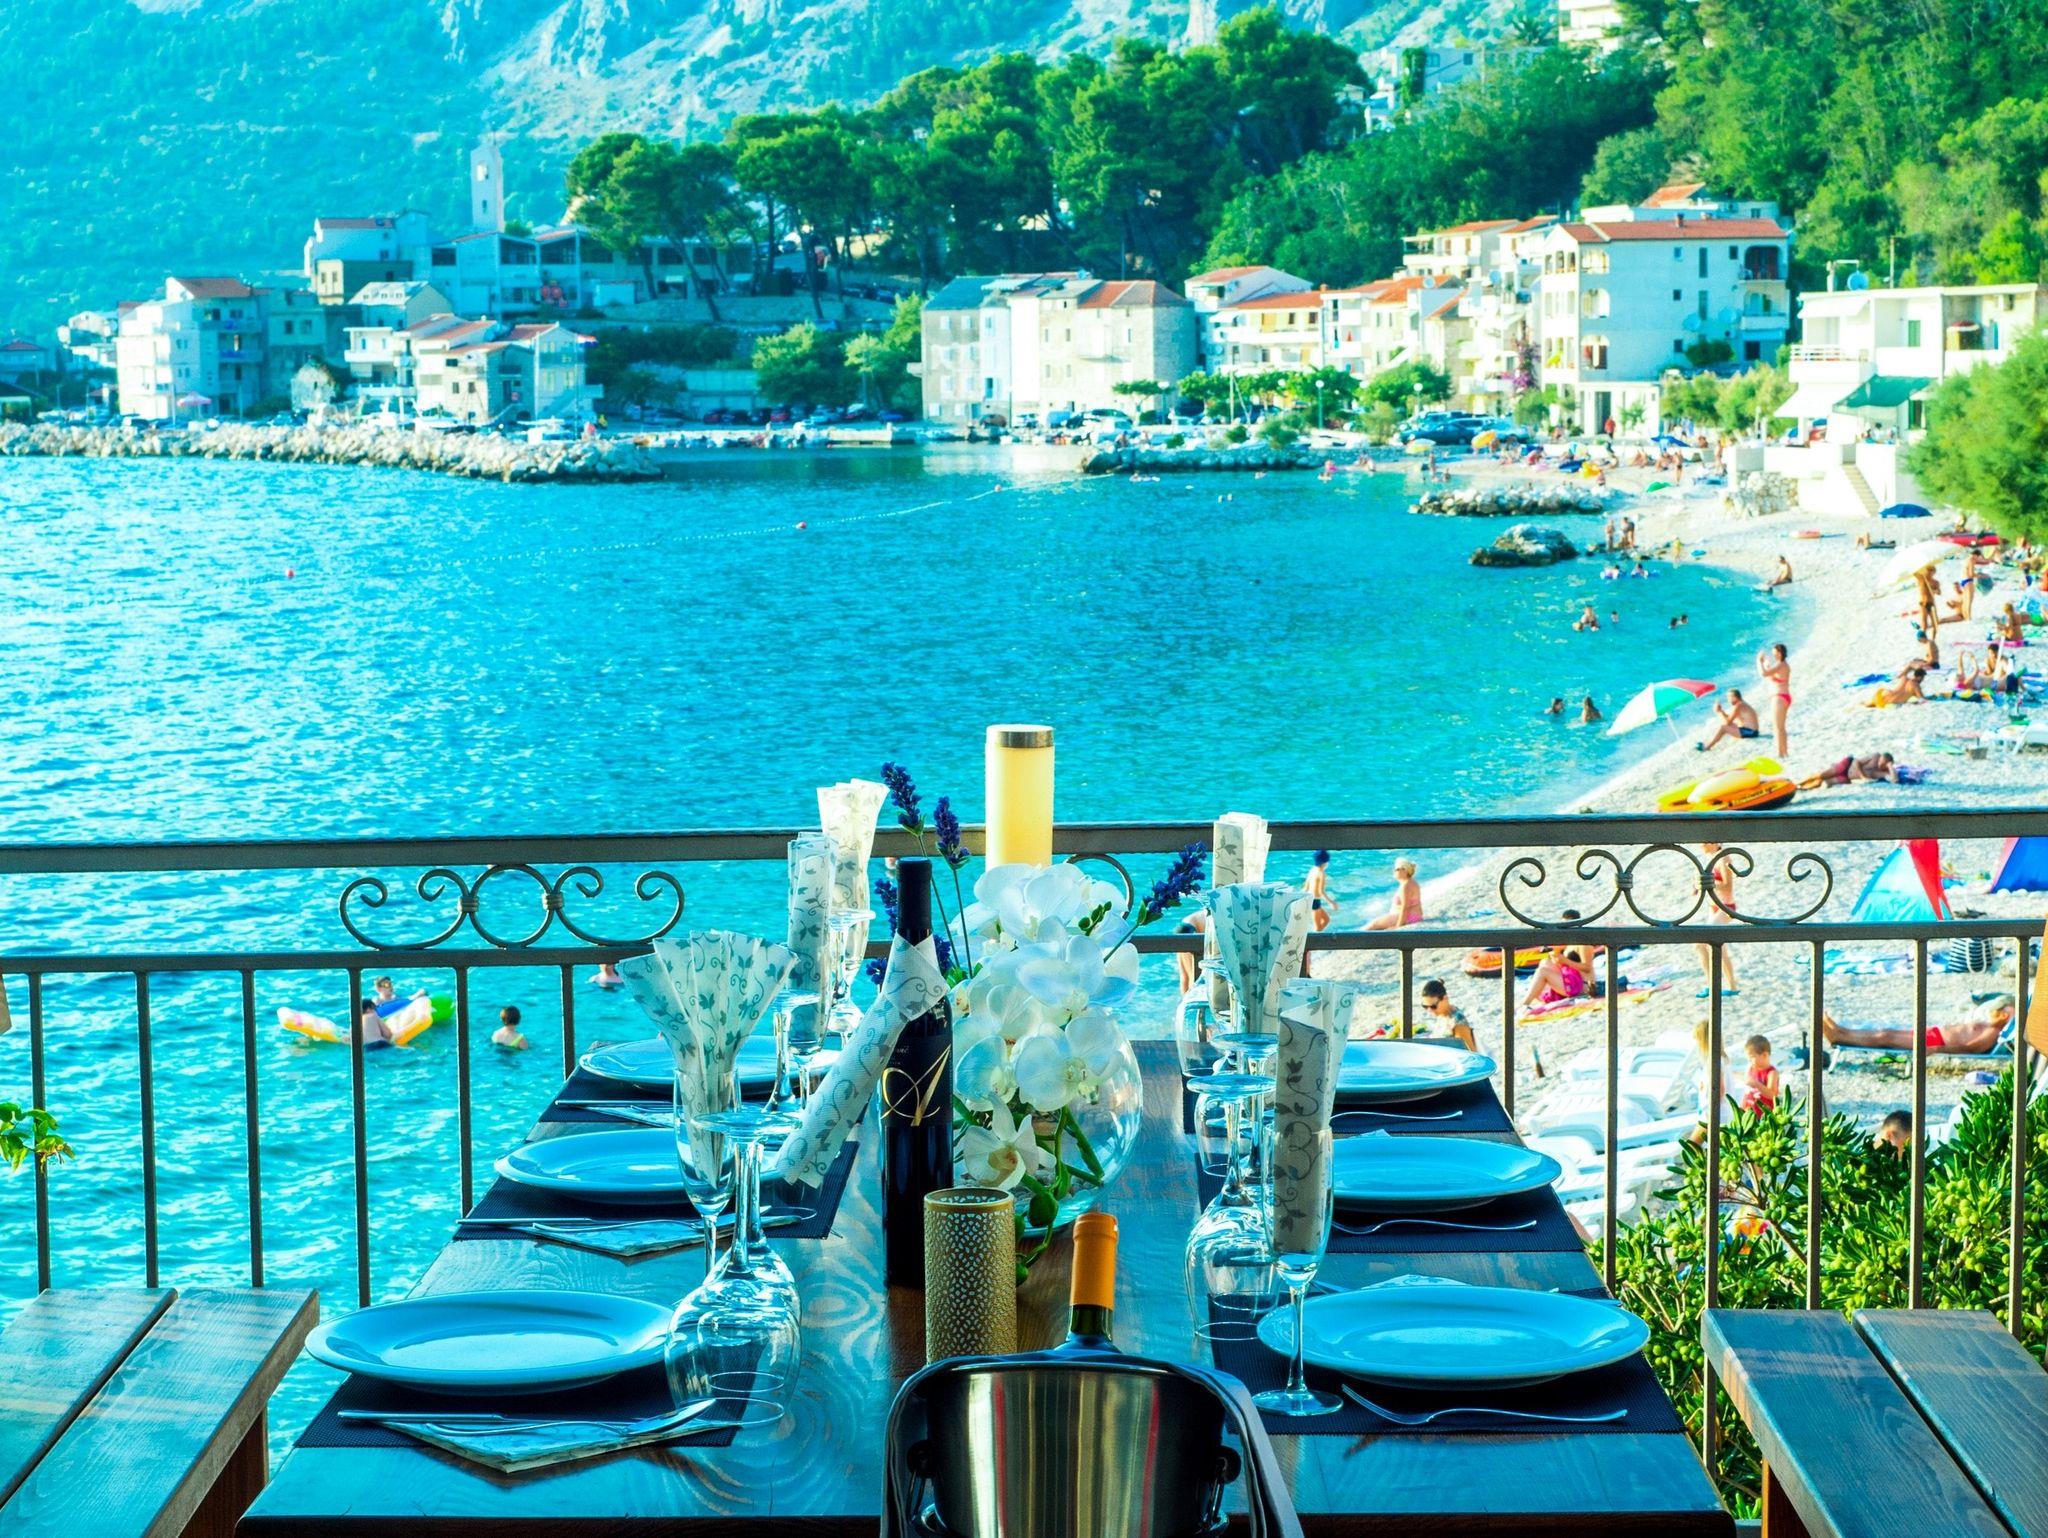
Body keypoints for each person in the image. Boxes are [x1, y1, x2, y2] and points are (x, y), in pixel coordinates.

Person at [1820, 994, 2018, 1055]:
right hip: (1935, 1034)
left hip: (1937, 1041)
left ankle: (1840, 1037)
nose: (2005, 1010)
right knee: (1887, 1033)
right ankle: (1841, 1032)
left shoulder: (1993, 1034)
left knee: (1886, 1037)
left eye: (2009, 1012)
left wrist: (1938, 1049)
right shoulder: (1990, 1026)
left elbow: (1969, 1048)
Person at [1695, 842, 1739, 997]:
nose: (1701, 846)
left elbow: (1728, 886)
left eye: (1704, 843)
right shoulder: (1711, 857)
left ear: (1714, 843)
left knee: (1713, 944)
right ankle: (1712, 985)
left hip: (1726, 907)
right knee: (1700, 945)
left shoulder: (1724, 858)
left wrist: (1709, 884)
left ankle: (1731, 986)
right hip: (1713, 906)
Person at [1522, 941, 1589, 1008]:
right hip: (1571, 979)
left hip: (1578, 986)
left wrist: (1564, 959)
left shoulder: (1582, 946)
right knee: (1545, 962)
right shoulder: (1564, 948)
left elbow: (1587, 968)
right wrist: (1554, 952)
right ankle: (1533, 996)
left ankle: (1525, 1005)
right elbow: (1559, 963)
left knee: (1542, 971)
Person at [1419, 978, 1478, 1051]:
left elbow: (1470, 1053)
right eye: (1425, 1006)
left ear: (1445, 999)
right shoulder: (1442, 1014)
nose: (1429, 1010)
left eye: (1433, 1006)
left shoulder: (1457, 1022)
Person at [1365, 858, 1423, 931]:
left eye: (1398, 869)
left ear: (1405, 871)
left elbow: (1405, 907)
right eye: (1395, 869)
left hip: (1410, 917)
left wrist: (1399, 926)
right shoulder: (1409, 882)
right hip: (1414, 916)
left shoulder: (1406, 886)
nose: (1395, 871)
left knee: (1372, 925)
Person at [1757, 643, 1792, 755]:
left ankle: (1780, 753)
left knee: (1777, 727)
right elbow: (1771, 676)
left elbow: (1763, 673)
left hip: (1779, 698)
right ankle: (1784, 752)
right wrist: (1766, 664)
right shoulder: (1783, 665)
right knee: (1781, 727)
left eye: (1775, 653)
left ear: (1780, 653)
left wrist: (1759, 661)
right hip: (1784, 697)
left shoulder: (1781, 665)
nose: (1774, 655)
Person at [1801, 751, 1899, 789]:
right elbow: (1856, 762)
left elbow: (1895, 780)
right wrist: (1862, 776)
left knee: (1823, 782)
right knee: (1821, 776)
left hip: (1847, 777)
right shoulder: (1875, 756)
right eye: (1880, 761)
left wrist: (1890, 767)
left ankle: (1801, 789)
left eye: (1883, 764)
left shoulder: (1883, 773)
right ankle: (1800, 783)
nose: (1879, 764)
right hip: (1847, 765)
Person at [1740, 1035, 1781, 1112]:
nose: (1749, 1061)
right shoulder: (1751, 1069)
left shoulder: (1772, 1073)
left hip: (1764, 1113)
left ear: (1765, 1055)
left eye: (1752, 1057)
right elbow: (1747, 1092)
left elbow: (1772, 1095)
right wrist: (1742, 1107)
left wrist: (1756, 1084)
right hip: (1749, 1111)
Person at [1305, 850, 1338, 934]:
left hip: (1310, 899)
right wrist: (1331, 903)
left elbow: (1306, 887)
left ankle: (1313, 935)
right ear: (1325, 862)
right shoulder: (1321, 873)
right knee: (1318, 928)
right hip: (1315, 901)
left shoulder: (1312, 870)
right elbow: (1321, 892)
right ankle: (1313, 939)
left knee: (1326, 920)